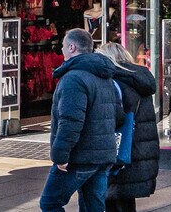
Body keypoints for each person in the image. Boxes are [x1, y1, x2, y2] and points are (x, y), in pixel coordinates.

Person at [43, 28, 122, 212]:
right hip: (102, 155)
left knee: (50, 202)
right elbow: (118, 115)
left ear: (71, 47)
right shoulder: (104, 76)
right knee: (93, 206)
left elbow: (70, 121)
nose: (61, 50)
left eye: (63, 46)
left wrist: (60, 155)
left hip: (80, 156)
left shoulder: (73, 78)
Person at [100, 42, 161, 212]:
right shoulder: (139, 79)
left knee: (111, 201)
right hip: (138, 152)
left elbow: (113, 117)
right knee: (126, 203)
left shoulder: (114, 82)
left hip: (119, 151)